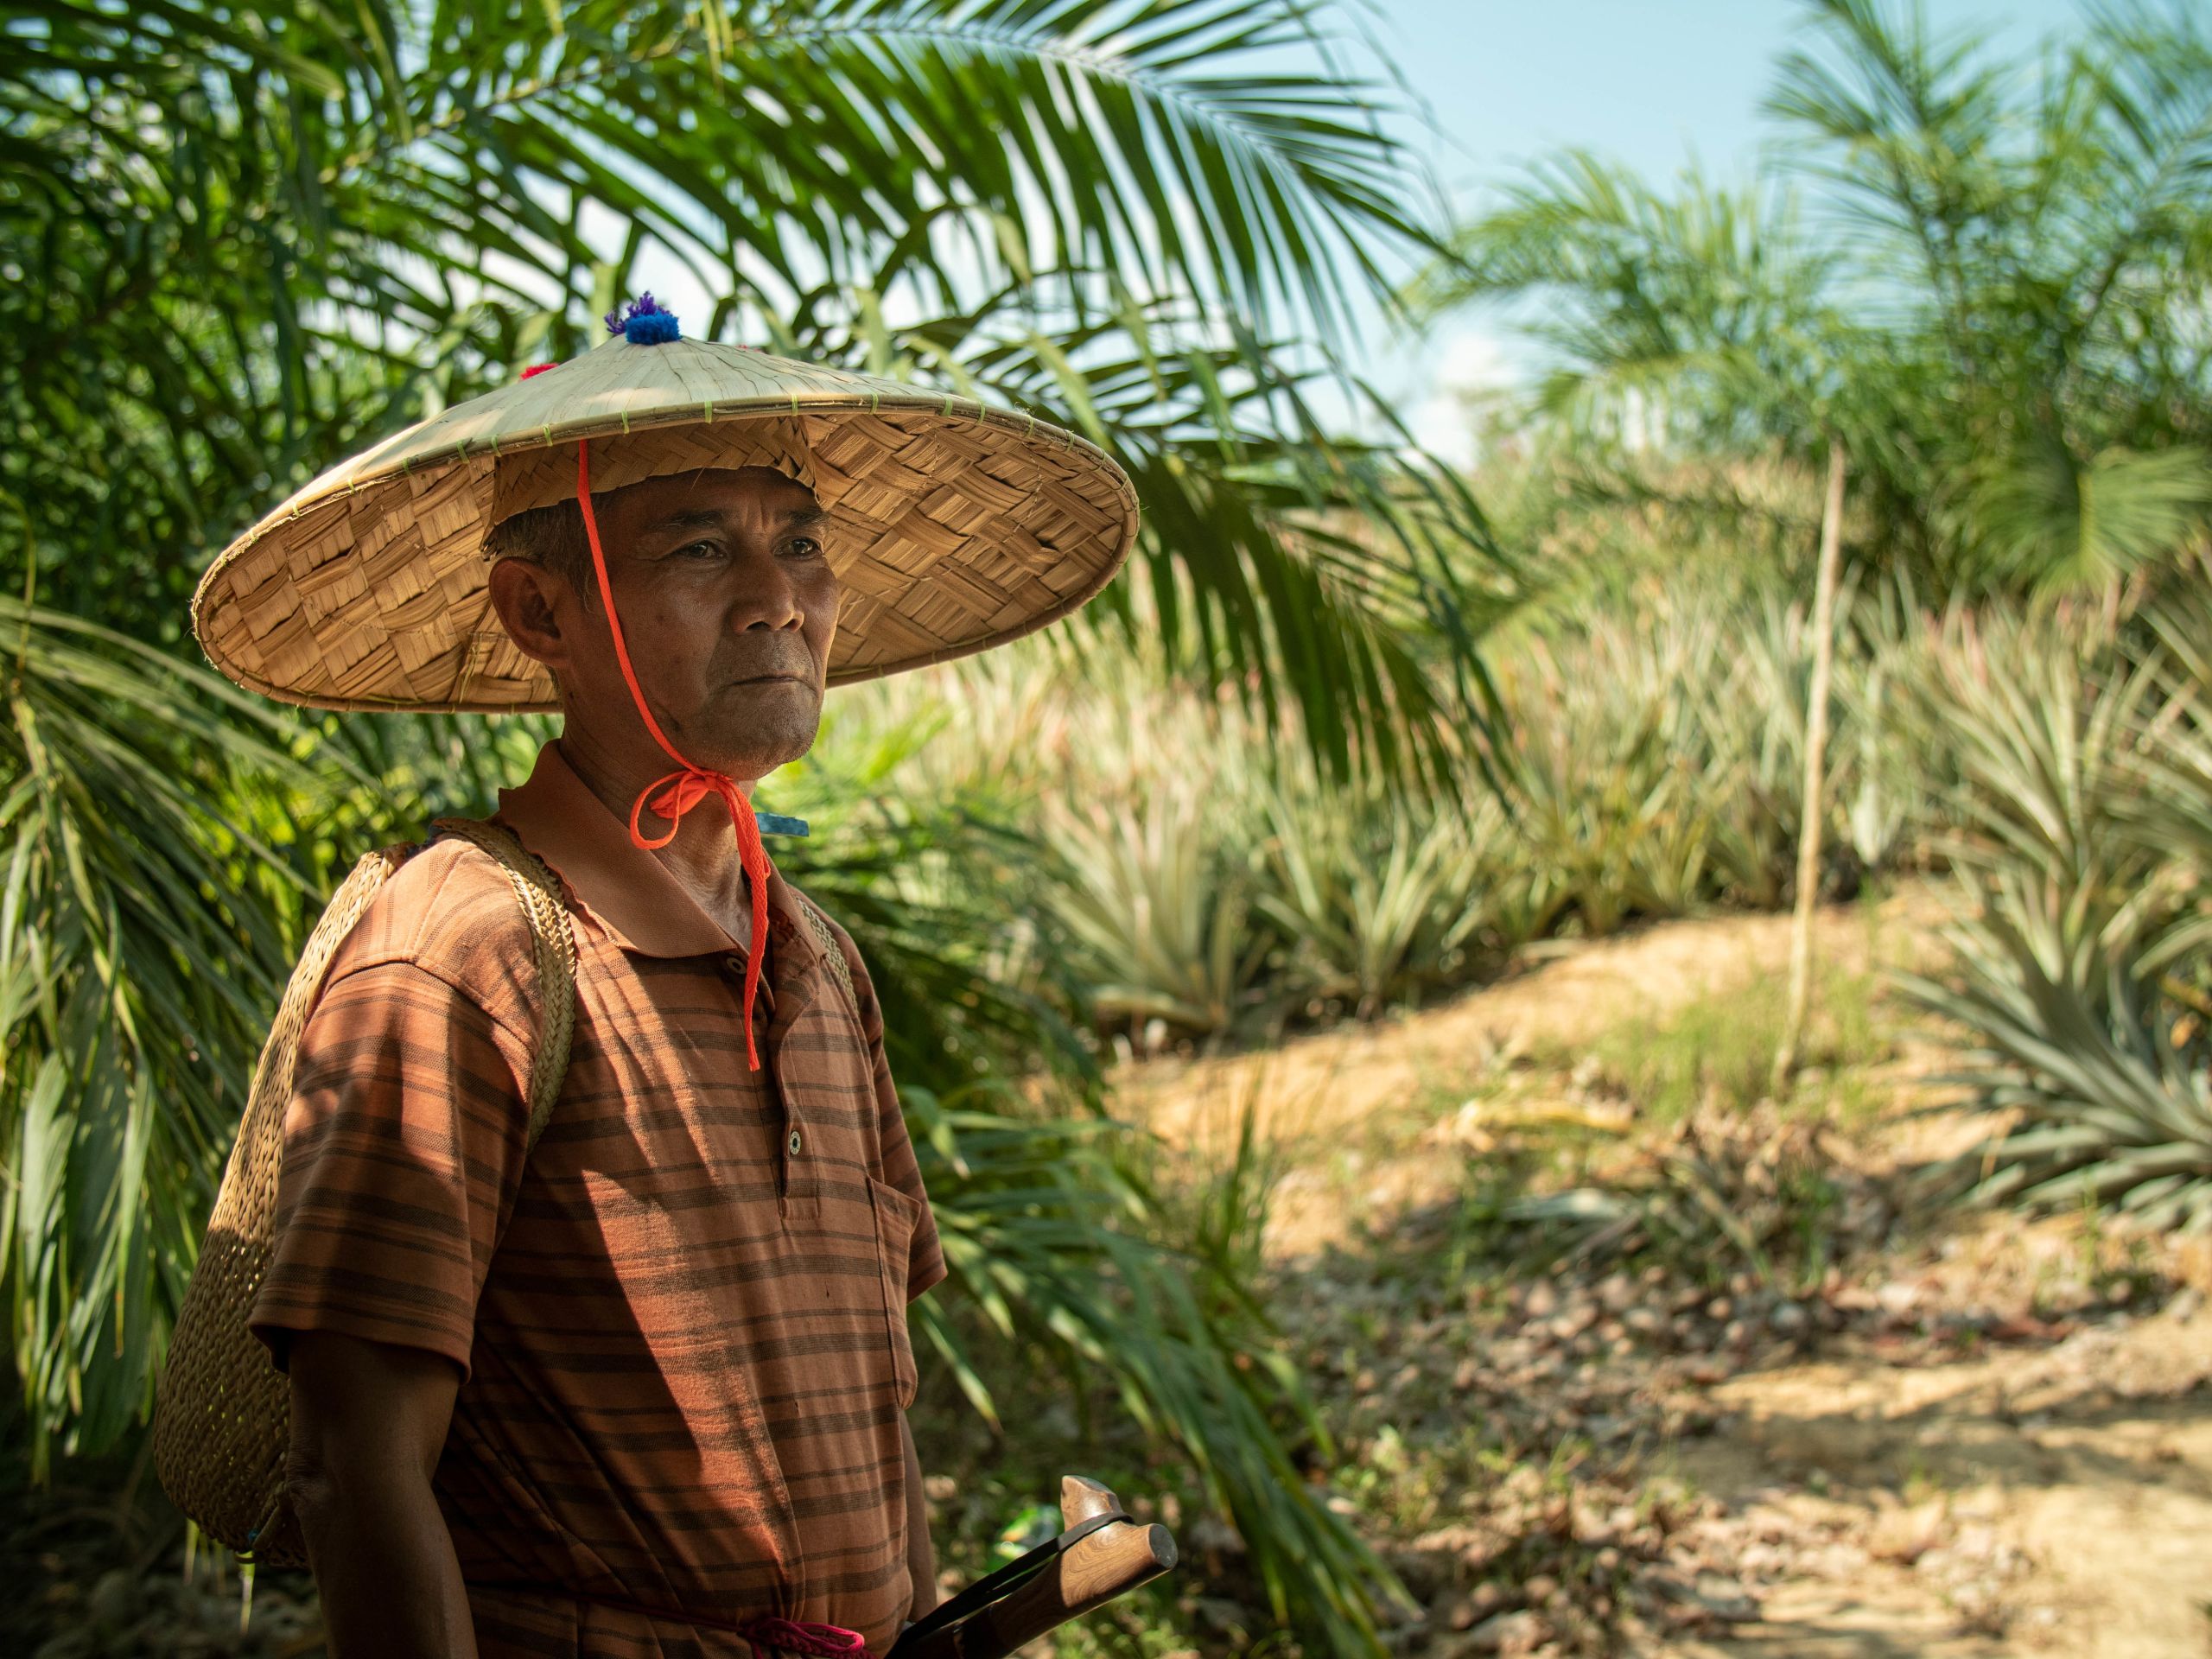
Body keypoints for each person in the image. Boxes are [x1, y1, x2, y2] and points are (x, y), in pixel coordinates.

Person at [191, 296, 1138, 1658]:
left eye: (801, 544)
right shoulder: (463, 952)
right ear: (539, 612)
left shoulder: (813, 956)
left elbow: (878, 1416)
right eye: (702, 548)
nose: (779, 600)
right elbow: (358, 1471)